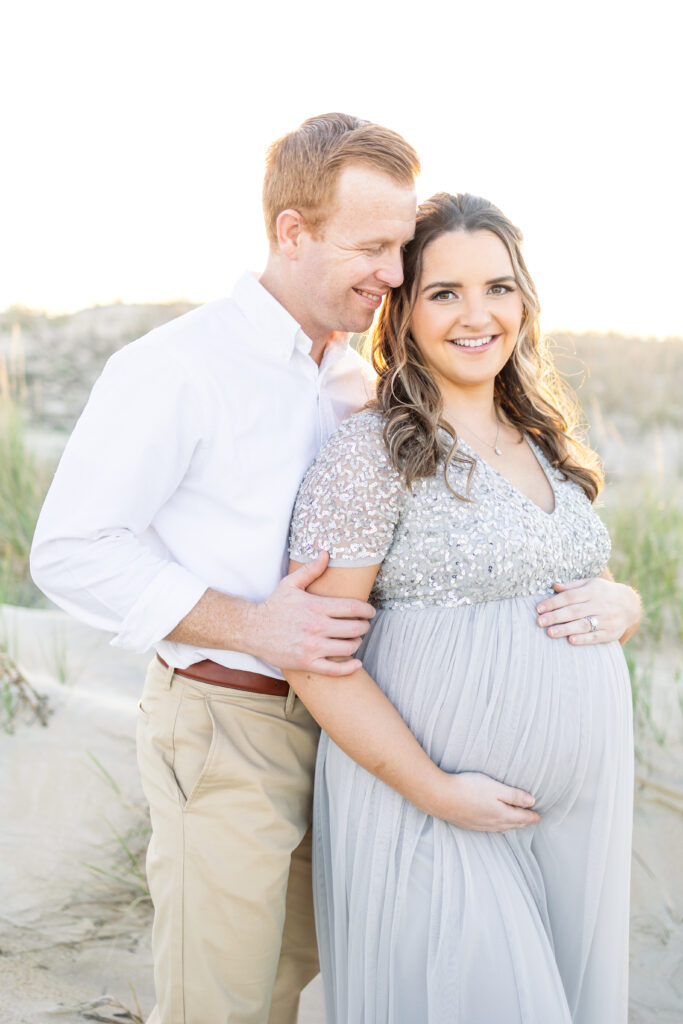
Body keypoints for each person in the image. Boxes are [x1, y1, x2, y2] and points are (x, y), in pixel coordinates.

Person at [29, 113, 420, 1024]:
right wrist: (254, 626)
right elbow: (70, 550)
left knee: (294, 976)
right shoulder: (177, 367)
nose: (394, 275)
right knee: (222, 1004)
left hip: (347, 730)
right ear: (293, 231)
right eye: (371, 246)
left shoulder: (357, 382)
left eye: (401, 247)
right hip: (223, 725)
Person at [285, 192, 640, 1022]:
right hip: (431, 812)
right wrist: (437, 790)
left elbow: (563, 575)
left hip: (568, 819)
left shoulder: (544, 440)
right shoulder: (370, 454)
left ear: (524, 300)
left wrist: (621, 603)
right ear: (403, 312)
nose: (477, 315)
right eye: (444, 293)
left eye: (498, 287)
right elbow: (315, 657)